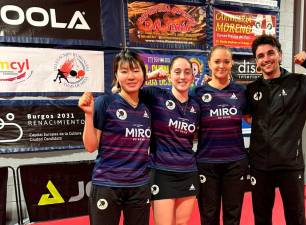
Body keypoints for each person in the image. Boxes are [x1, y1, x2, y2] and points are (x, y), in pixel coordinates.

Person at [245, 35, 306, 225]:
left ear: (280, 55)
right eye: (261, 56)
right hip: (260, 166)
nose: (266, 59)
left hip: (290, 165)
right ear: (256, 61)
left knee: (296, 217)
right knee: (261, 217)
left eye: (271, 53)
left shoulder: (300, 83)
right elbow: (245, 115)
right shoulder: (252, 89)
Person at [78, 50, 151, 225]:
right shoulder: (105, 103)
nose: (131, 76)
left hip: (139, 185)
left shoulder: (149, 104)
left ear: (143, 74)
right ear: (116, 75)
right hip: (107, 184)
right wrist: (88, 116)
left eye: (135, 70)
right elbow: (90, 146)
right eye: (124, 71)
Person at [193, 46, 248, 225]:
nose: (221, 65)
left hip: (235, 162)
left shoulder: (241, 92)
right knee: (209, 215)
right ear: (209, 63)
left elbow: (254, 118)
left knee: (233, 215)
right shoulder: (197, 93)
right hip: (207, 163)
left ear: (232, 63)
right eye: (217, 61)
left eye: (226, 61)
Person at [141, 56, 200, 225]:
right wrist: (150, 76)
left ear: (193, 77)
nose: (182, 77)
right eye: (177, 72)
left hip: (188, 171)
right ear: (169, 75)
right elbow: (119, 89)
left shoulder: (196, 106)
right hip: (161, 172)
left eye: (187, 72)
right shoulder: (156, 96)